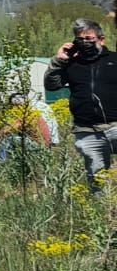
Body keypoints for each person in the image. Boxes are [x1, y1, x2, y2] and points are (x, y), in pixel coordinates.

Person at [44, 19, 117, 193]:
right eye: (80, 40)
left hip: (115, 125)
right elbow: (52, 85)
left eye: (89, 38)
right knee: (97, 180)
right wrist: (59, 60)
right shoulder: (71, 64)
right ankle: (103, 214)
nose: (85, 43)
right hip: (88, 130)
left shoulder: (114, 60)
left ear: (101, 39)